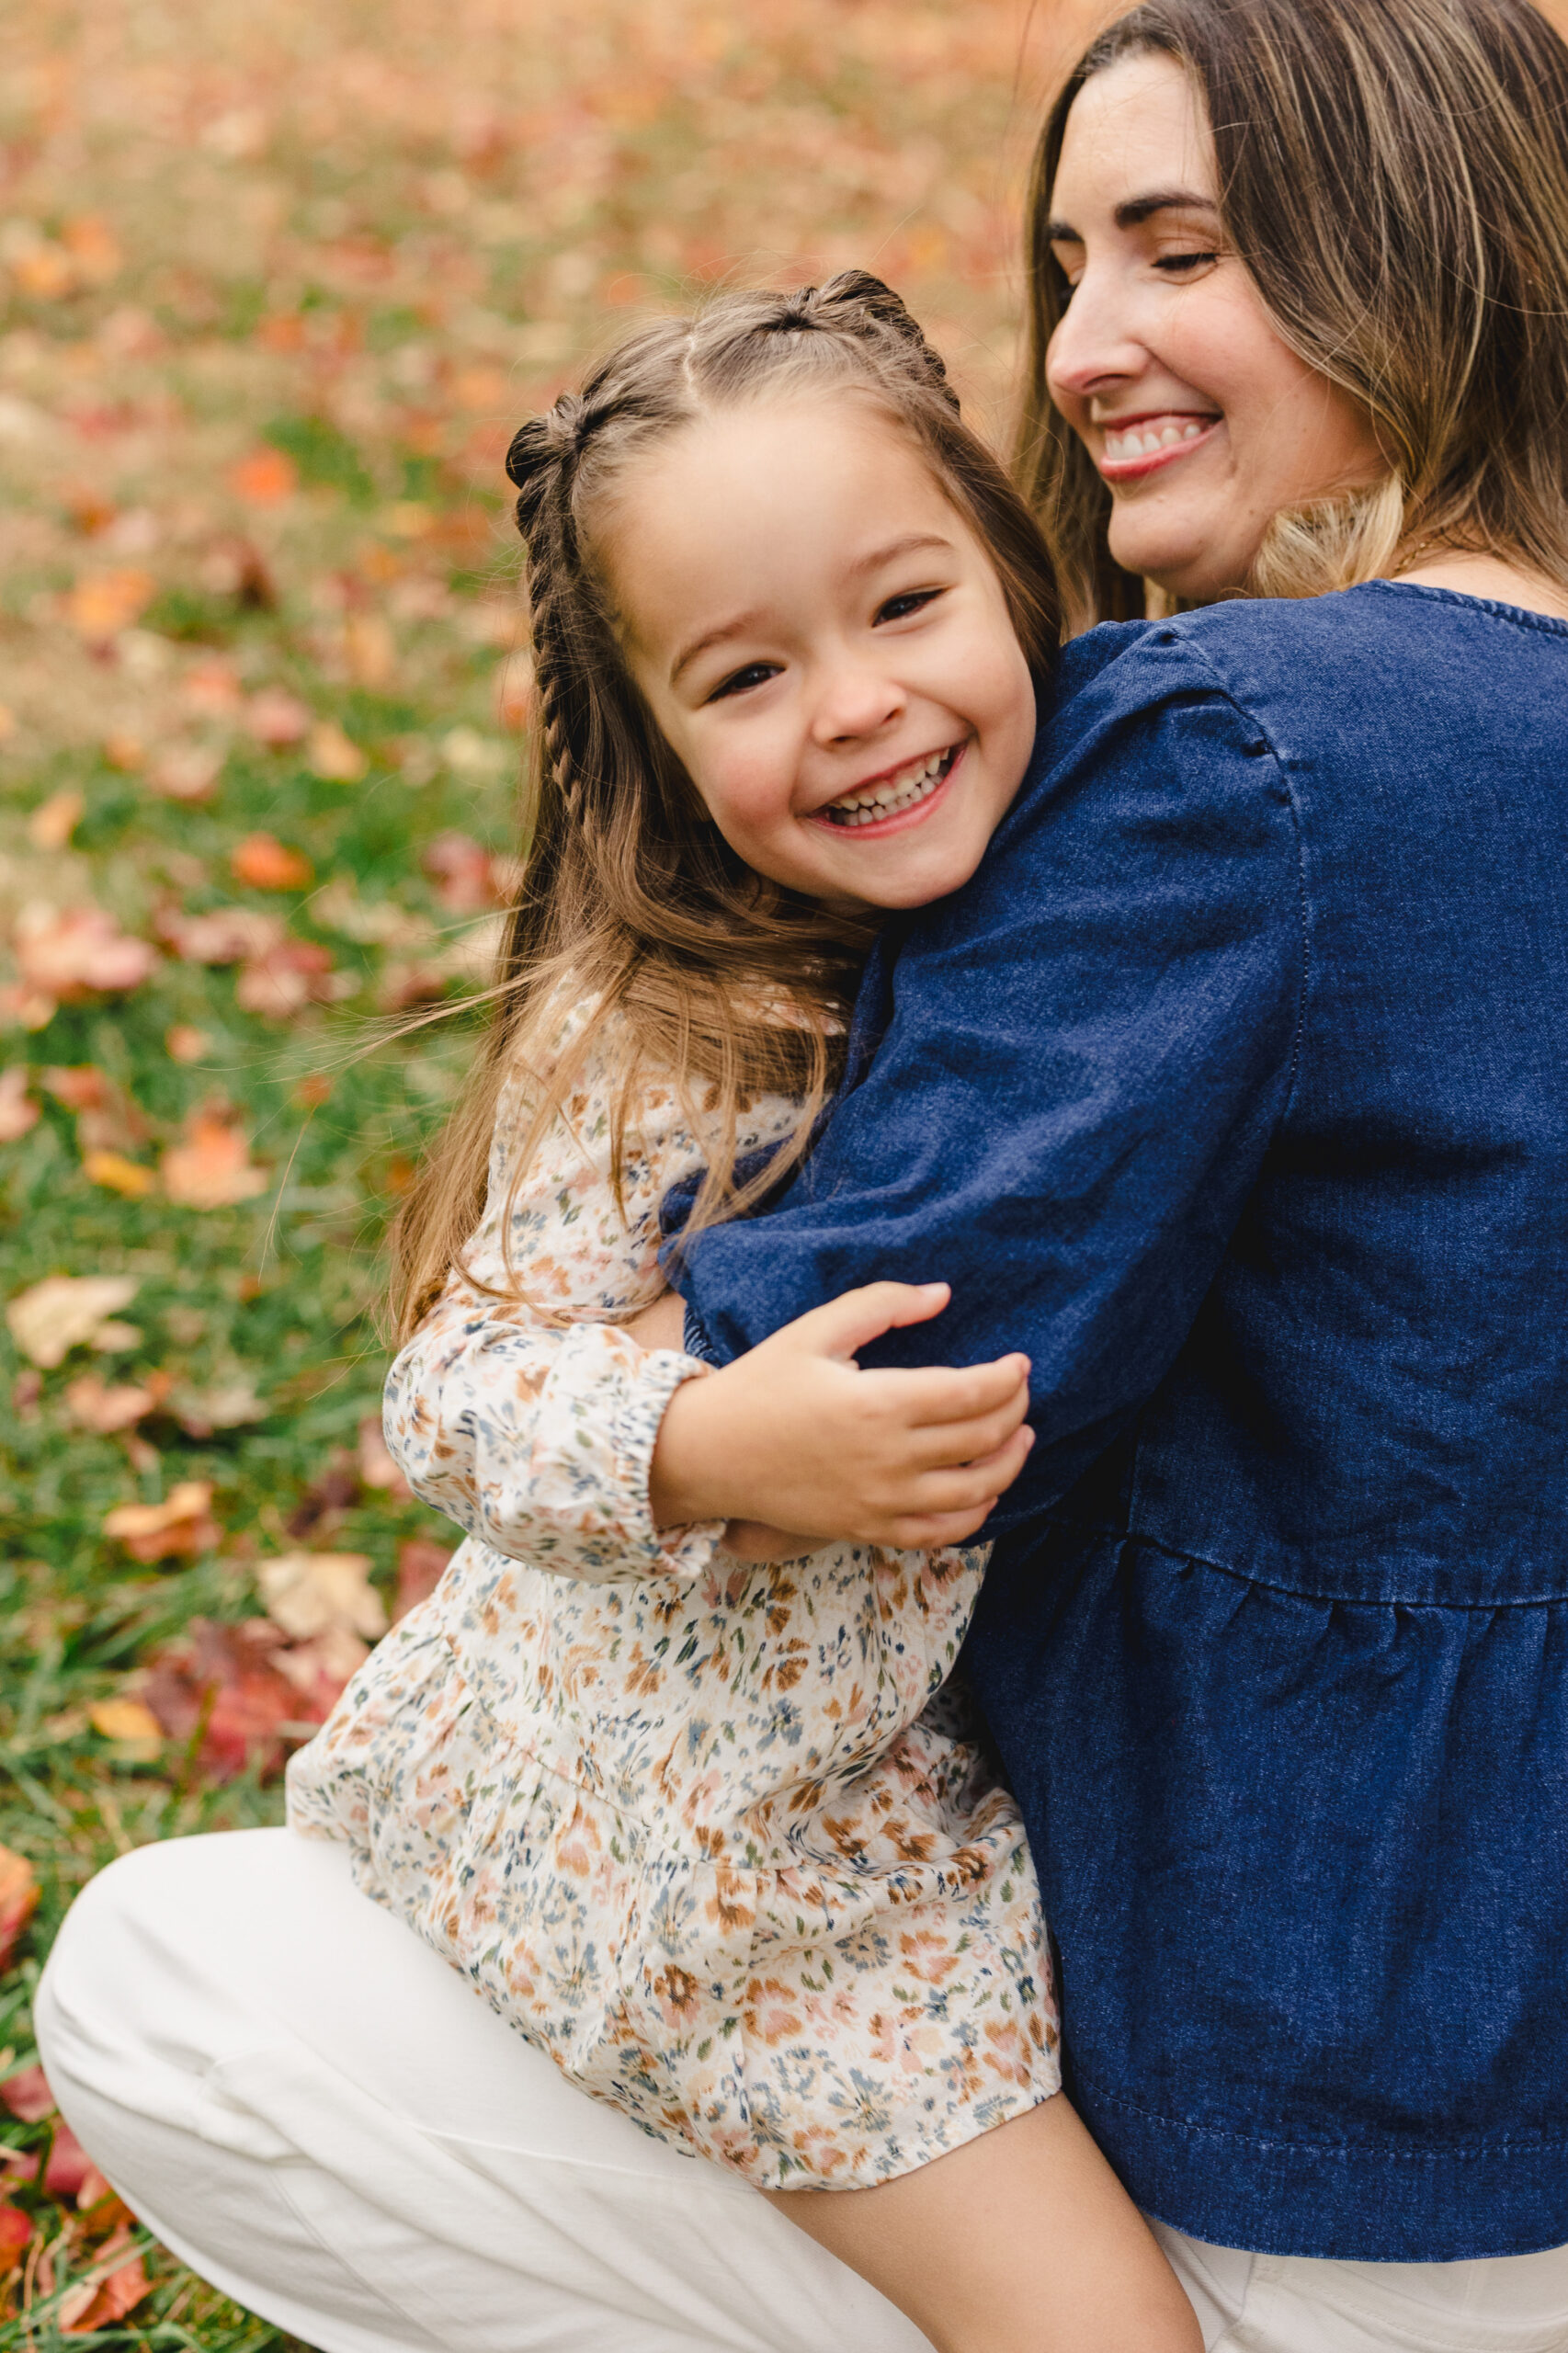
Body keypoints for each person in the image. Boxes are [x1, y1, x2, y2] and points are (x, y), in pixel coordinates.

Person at [33, 1, 1568, 2347]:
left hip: (1326, 2101)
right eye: (1067, 261)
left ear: (1421, 244)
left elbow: (868, 1356)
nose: (1084, 344)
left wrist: (655, 1383)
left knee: (168, 1971)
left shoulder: (1238, 746)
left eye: (1178, 249)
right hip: (1475, 2011)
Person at [284, 270, 1199, 2353]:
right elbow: (458, 1381)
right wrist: (705, 1442)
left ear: (1012, 565)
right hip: (753, 1876)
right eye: (747, 673)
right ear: (658, 741)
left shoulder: (1111, 891)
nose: (857, 703)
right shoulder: (677, 1016)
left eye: (902, 606)